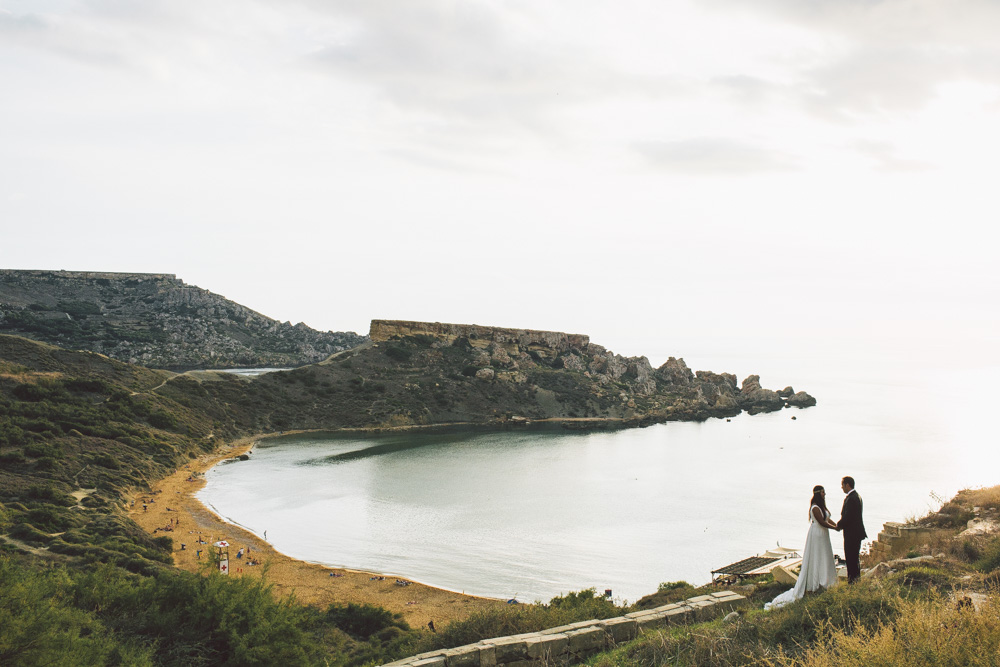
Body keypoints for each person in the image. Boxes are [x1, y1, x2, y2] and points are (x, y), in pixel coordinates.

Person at [765, 485, 839, 610]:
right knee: (816, 557)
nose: (824, 494)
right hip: (817, 534)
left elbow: (827, 519)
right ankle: (815, 583)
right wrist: (835, 528)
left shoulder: (822, 507)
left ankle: (825, 580)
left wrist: (837, 525)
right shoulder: (815, 507)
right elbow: (821, 522)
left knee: (824, 556)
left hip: (823, 535)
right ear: (817, 493)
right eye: (822, 492)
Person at [836, 476, 867, 583]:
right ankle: (855, 580)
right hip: (855, 533)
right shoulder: (857, 496)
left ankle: (852, 581)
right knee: (854, 558)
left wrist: (838, 525)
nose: (841, 487)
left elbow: (848, 517)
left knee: (851, 558)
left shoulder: (852, 498)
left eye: (842, 485)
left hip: (852, 534)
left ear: (847, 485)